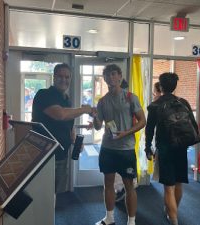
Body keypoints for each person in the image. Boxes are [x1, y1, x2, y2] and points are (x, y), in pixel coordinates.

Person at [92, 64, 146, 225]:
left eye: (114, 74)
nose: (111, 78)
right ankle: (109, 218)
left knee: (129, 186)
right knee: (107, 183)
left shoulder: (130, 97)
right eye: (107, 75)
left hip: (126, 149)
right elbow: (97, 126)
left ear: (120, 76)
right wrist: (94, 116)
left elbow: (143, 121)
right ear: (105, 79)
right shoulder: (102, 101)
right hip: (108, 148)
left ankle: (131, 221)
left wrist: (126, 133)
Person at [32, 63, 94, 194]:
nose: (64, 80)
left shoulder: (66, 99)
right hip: (44, 156)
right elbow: (60, 115)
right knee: (43, 195)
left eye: (67, 77)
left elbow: (68, 124)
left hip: (61, 156)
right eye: (60, 76)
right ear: (54, 77)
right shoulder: (44, 94)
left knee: (55, 194)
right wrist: (84, 109)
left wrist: (75, 139)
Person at [145, 73, 191, 225]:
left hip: (165, 149)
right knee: (178, 184)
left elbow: (149, 129)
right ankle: (173, 212)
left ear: (161, 86)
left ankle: (173, 219)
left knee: (168, 188)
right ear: (175, 86)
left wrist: (147, 148)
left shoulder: (155, 105)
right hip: (181, 148)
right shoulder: (183, 102)